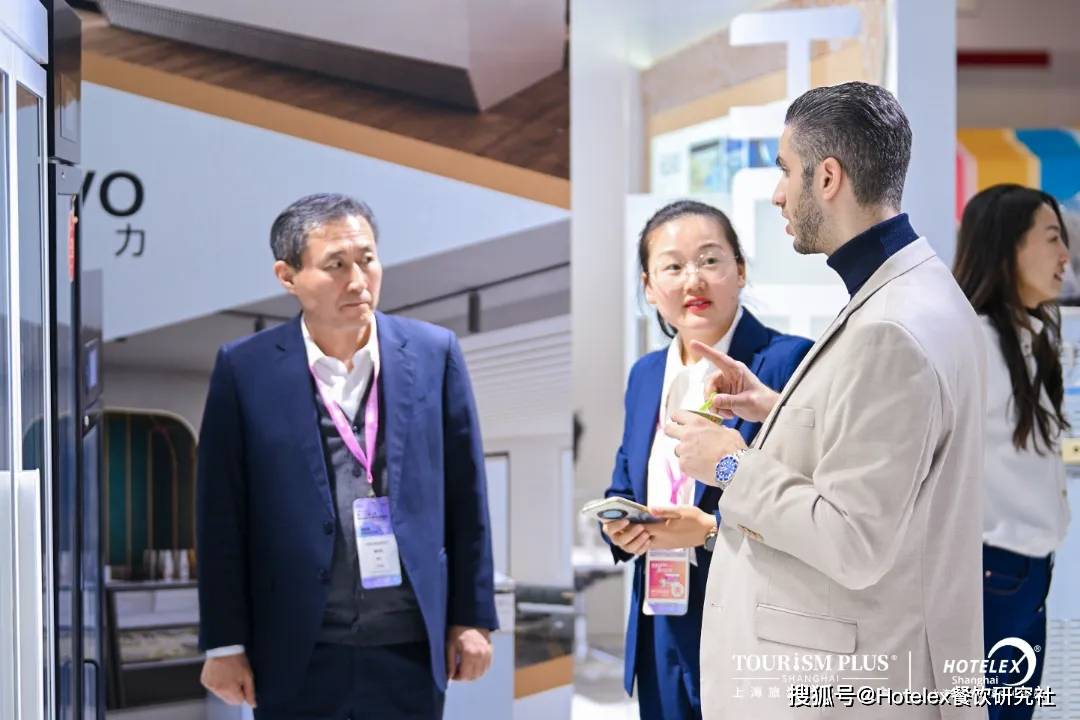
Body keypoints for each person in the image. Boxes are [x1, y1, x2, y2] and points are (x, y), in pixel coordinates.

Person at [665, 82, 987, 719]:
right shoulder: (914, 290)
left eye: (786, 171)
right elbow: (895, 450)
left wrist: (728, 463)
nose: (778, 193)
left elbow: (852, 540)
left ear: (829, 177)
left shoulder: (891, 327)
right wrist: (779, 408)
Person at [196, 193, 497, 719]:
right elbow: (221, 515)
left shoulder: (434, 353)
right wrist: (224, 643)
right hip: (296, 647)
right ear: (288, 276)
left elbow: (466, 496)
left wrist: (472, 617)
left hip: (408, 644)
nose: (358, 280)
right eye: (336, 265)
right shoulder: (245, 370)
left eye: (367, 259)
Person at [600, 200, 812, 720]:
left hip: (749, 620)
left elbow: (809, 505)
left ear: (740, 270)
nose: (693, 279)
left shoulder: (789, 362)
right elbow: (624, 480)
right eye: (673, 266)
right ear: (650, 287)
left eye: (710, 260)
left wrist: (711, 531)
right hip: (659, 619)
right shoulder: (645, 375)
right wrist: (619, 526)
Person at [954, 184, 1071, 719]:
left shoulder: (1031, 337)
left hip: (1026, 572)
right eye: (1051, 238)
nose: (1065, 255)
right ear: (1008, 247)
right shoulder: (973, 342)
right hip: (991, 569)